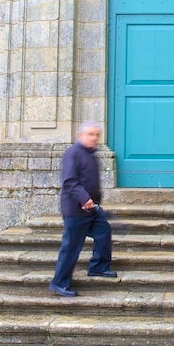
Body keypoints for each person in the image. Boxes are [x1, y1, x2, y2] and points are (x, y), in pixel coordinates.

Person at [49, 122, 116, 297]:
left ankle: (98, 267)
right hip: (76, 210)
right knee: (71, 246)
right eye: (90, 134)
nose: (94, 138)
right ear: (80, 136)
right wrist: (84, 198)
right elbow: (69, 181)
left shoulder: (90, 154)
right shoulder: (73, 153)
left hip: (91, 209)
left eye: (96, 135)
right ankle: (59, 282)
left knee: (104, 232)